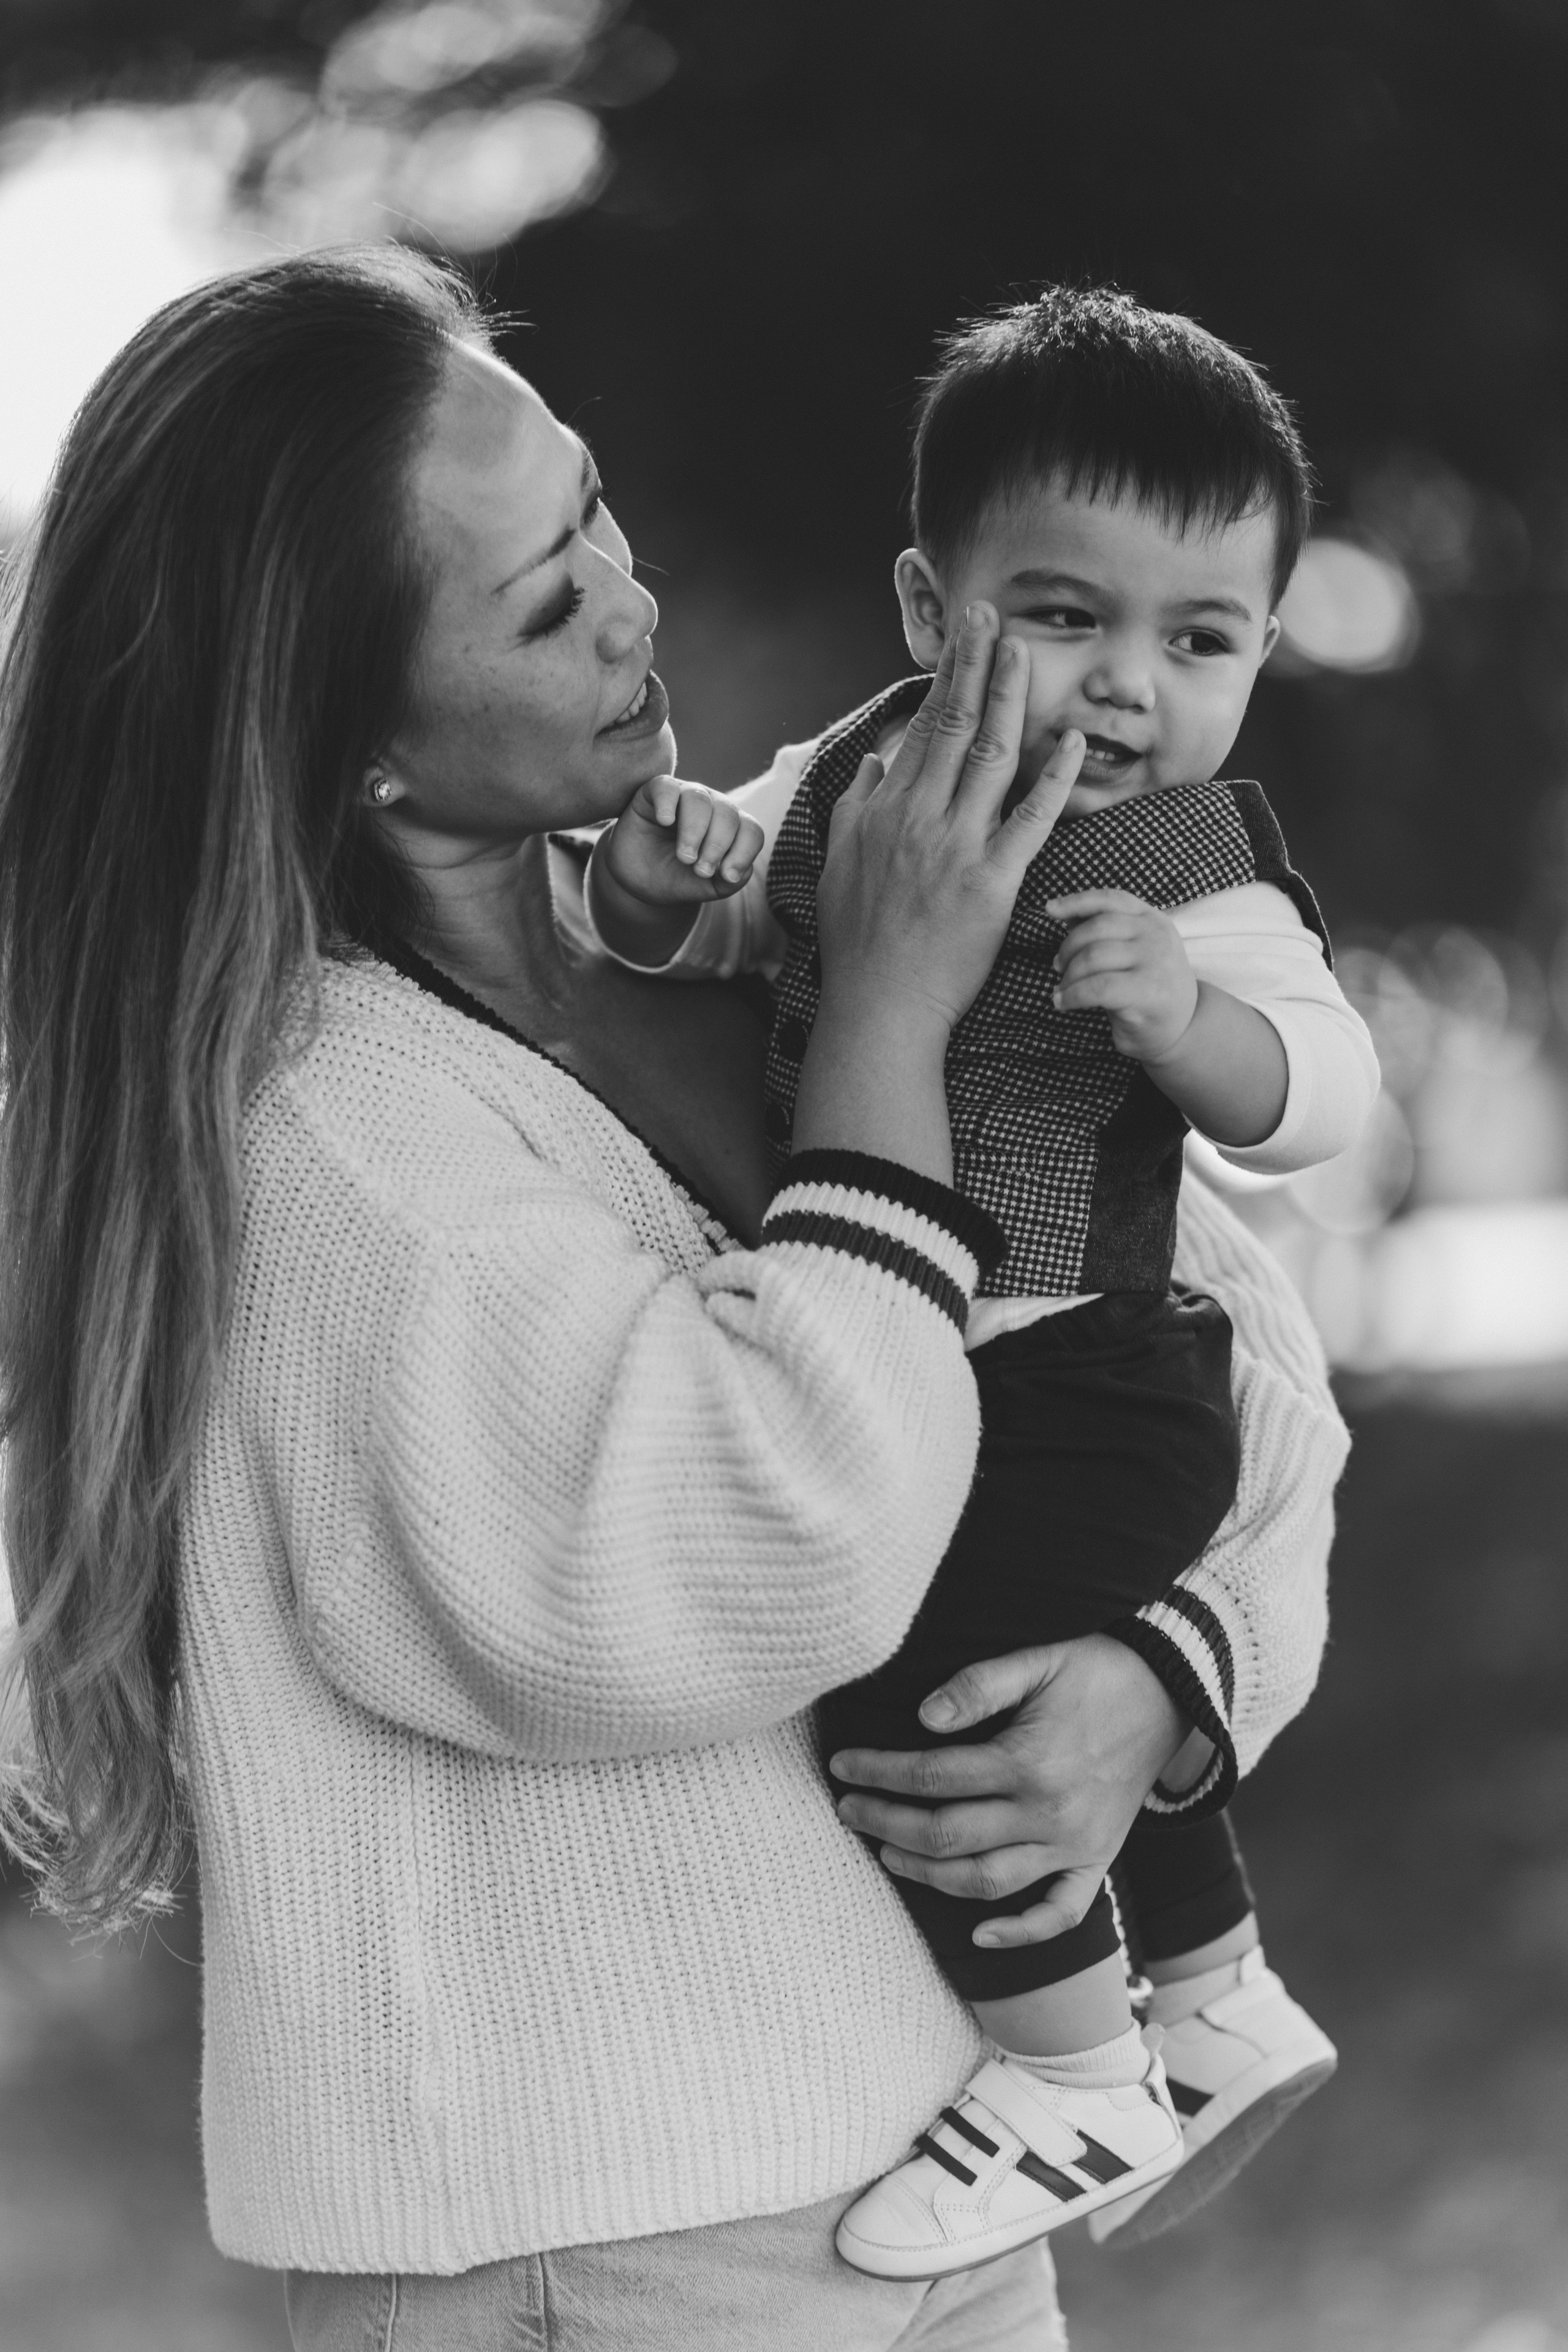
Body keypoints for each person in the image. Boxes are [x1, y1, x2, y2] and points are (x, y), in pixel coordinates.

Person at [0, 248, 1345, 2352]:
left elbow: (1251, 1390)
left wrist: (1164, 1684)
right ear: (349, 741)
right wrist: (896, 1015)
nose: (632, 605)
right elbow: (752, 1550)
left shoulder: (736, 945)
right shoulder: (332, 1149)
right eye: (545, 604)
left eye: (596, 515)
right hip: (597, 2248)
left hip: (921, 2179)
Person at [586, 285, 1378, 2278]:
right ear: (935, 614)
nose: (1126, 686)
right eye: (1064, 614)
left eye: (1197, 642)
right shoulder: (847, 778)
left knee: (929, 1684)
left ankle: (1067, 2064)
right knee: (1024, 1662)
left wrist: (1196, 1024)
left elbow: (1323, 1098)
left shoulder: (1207, 868)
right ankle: (1208, 1994)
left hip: (1087, 1377)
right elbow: (701, 922)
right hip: (921, 1365)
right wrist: (666, 879)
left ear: (1261, 654)